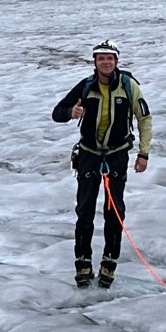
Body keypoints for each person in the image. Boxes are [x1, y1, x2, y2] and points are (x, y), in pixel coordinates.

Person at [51, 40, 153, 288]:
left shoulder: (129, 86)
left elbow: (144, 119)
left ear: (116, 61)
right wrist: (70, 113)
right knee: (84, 211)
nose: (105, 62)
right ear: (94, 62)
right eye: (101, 58)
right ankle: (82, 263)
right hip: (89, 155)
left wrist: (143, 154)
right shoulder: (86, 86)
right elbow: (57, 112)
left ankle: (109, 262)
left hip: (117, 155)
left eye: (109, 58)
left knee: (114, 211)